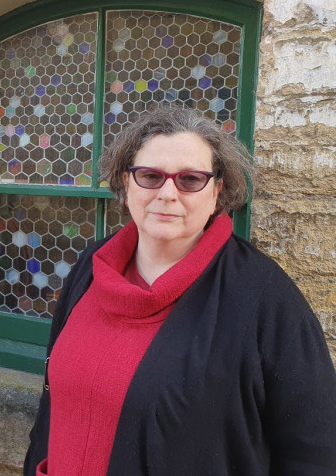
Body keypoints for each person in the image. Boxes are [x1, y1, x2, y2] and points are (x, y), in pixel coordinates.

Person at [24, 106, 336, 475]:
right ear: (127, 183)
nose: (167, 193)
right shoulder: (91, 267)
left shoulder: (263, 296)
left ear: (217, 189)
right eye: (150, 176)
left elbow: (315, 451)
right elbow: (52, 406)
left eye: (190, 179)